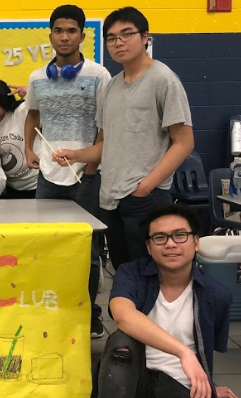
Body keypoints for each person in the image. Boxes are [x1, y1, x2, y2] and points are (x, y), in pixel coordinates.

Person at [52, 7, 194, 271]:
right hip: (111, 199)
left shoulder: (163, 80)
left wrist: (145, 187)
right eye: (112, 37)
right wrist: (78, 155)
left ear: (145, 37)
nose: (118, 42)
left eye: (126, 34)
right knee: (125, 273)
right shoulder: (111, 86)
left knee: (153, 274)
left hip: (145, 198)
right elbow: (107, 144)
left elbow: (184, 142)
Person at [88, 204, 241, 398]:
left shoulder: (216, 295)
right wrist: (183, 353)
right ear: (149, 248)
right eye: (159, 237)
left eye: (180, 235)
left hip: (179, 386)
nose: (170, 244)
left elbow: (207, 349)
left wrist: (208, 383)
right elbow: (122, 314)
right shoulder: (132, 274)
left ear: (196, 242)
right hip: (132, 379)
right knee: (121, 342)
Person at [24, 4, 111, 338]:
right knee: (49, 246)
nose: (64, 36)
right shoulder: (37, 77)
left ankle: (88, 313)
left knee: (86, 251)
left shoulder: (99, 75)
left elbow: (104, 127)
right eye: (58, 30)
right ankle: (54, 310)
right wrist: (29, 149)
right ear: (50, 35)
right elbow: (32, 115)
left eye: (71, 30)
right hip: (48, 177)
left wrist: (91, 167)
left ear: (82, 35)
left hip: (86, 175)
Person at [0, 80, 38, 199]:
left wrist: (31, 92)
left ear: (4, 100)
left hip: (37, 183)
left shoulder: (20, 112)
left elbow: (46, 106)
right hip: (11, 188)